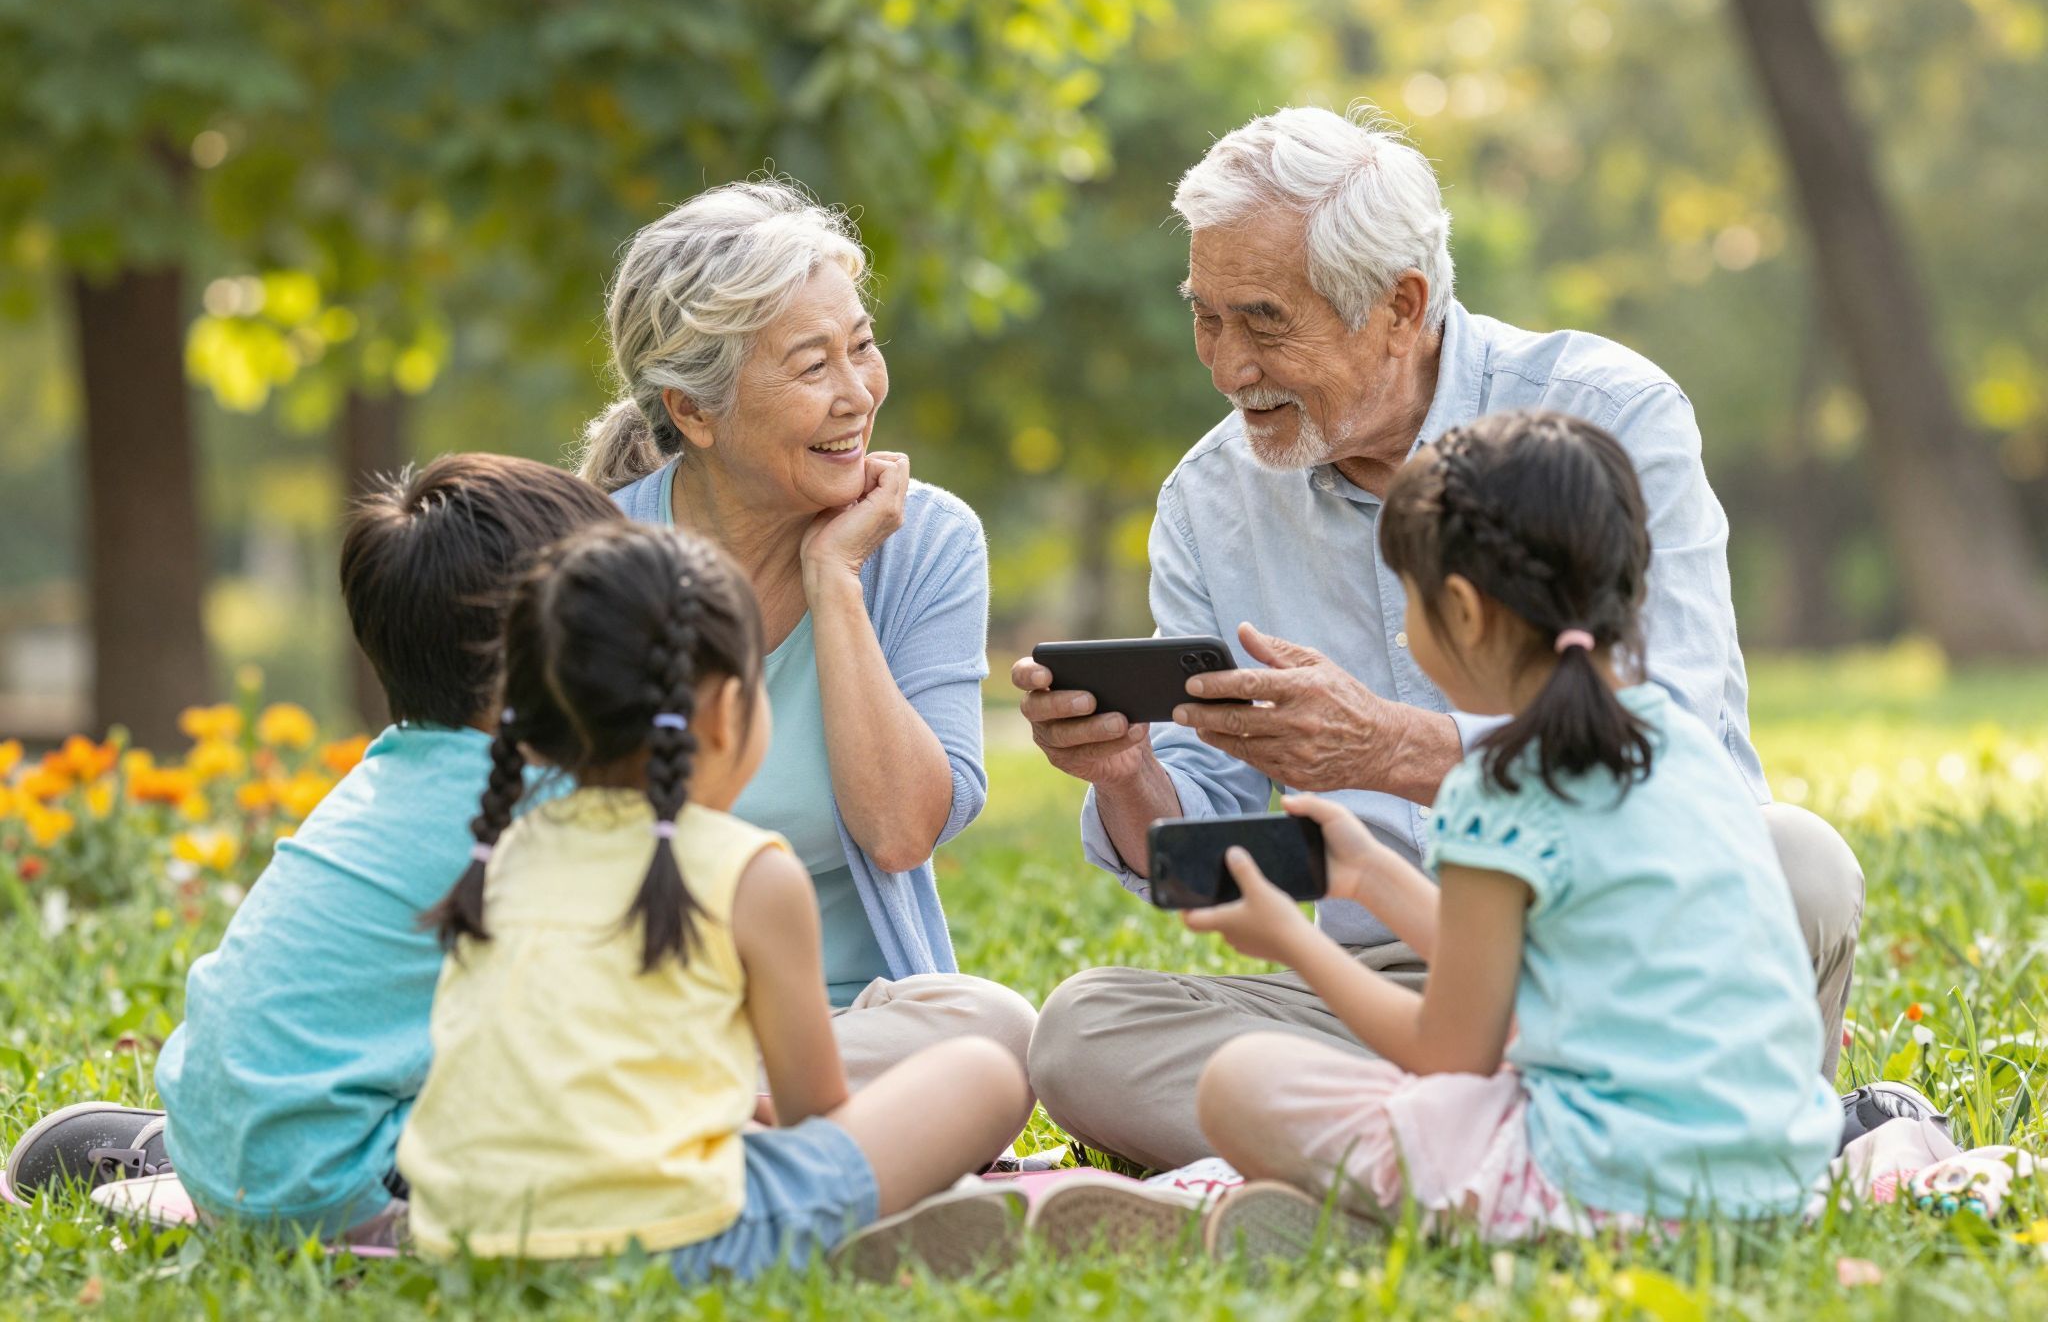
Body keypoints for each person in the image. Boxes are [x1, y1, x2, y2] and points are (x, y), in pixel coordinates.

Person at [1019, 105, 1866, 1173]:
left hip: (1627, 952)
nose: (1227, 368)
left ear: (1401, 306)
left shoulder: (1605, 416)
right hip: (1385, 988)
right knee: (1082, 1033)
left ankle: (1396, 1164)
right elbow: (1196, 864)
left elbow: (1674, 750)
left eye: (1264, 321)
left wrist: (1387, 748)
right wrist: (1125, 773)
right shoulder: (1207, 498)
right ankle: (1578, 1148)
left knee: (1795, 862)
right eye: (1206, 318)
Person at [1193, 411, 1841, 1251]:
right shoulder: (1678, 745)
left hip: (1606, 1191)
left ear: (1463, 611)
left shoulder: (1499, 788)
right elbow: (1510, 965)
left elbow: (1449, 1049)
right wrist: (1370, 877)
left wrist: (1290, 938)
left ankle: (1376, 1233)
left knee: (1239, 1083)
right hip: (1775, 1184)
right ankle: (1375, 1224)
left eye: (1411, 601)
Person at [4, 455, 622, 1239]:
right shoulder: (555, 812)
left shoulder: (392, 769)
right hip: (345, 1178)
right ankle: (315, 1191)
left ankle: (204, 1168)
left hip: (228, 1136)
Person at [397, 522, 1031, 1278]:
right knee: (986, 1071)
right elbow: (818, 1117)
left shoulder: (504, 853)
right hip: (678, 1245)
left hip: (466, 1242)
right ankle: (889, 1230)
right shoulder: (750, 874)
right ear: (730, 711)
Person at [580, 179, 1035, 1088]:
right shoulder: (587, 562)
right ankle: (748, 1124)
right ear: (693, 411)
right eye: (811, 366)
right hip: (640, 1020)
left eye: (861, 347)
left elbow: (901, 832)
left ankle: (703, 1122)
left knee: (998, 1035)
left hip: (852, 1028)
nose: (857, 394)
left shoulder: (929, 541)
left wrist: (836, 580)